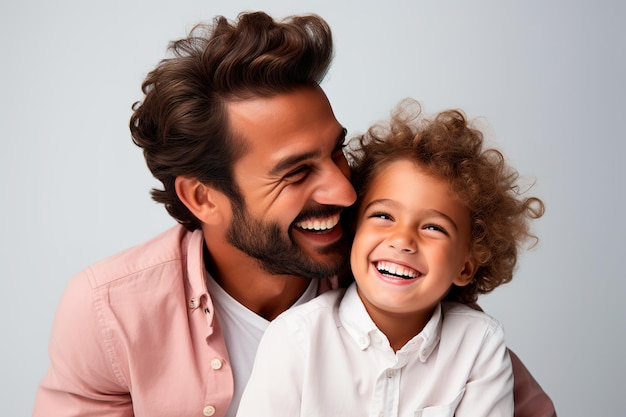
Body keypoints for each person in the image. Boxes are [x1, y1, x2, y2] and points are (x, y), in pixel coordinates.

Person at [32, 11, 555, 417]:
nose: (345, 192)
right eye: (296, 172)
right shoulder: (110, 312)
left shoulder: (390, 271)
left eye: (335, 152)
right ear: (202, 198)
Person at [236, 101, 546, 417]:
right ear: (354, 230)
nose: (402, 241)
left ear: (465, 267)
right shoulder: (296, 339)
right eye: (383, 215)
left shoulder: (478, 344)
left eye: (433, 227)